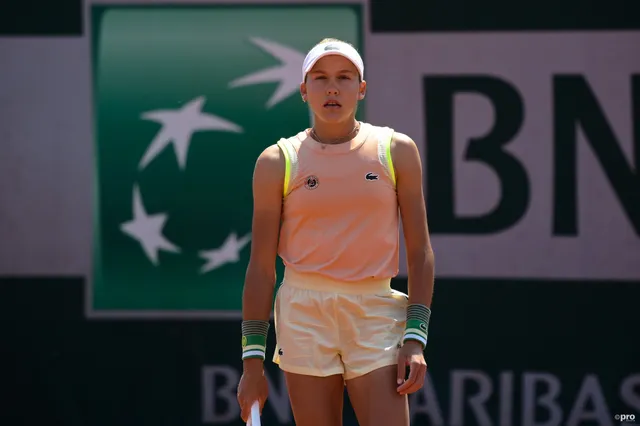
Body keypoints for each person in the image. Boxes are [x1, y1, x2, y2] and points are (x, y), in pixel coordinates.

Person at [237, 37, 435, 426]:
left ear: (361, 89)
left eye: (345, 77)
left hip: (376, 314)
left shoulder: (397, 151)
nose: (332, 87)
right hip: (302, 315)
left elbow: (420, 251)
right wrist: (252, 362)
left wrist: (416, 335)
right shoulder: (277, 162)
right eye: (320, 78)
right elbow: (261, 268)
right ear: (303, 90)